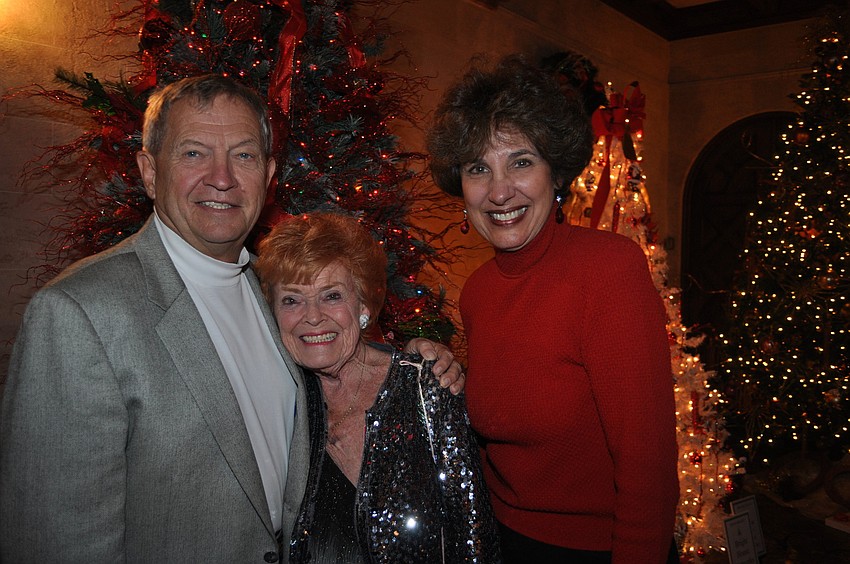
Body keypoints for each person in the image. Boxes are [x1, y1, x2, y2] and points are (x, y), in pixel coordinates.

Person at [0, 74, 462, 563]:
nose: (221, 178)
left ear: (267, 176)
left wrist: (411, 360)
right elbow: (52, 541)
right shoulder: (79, 314)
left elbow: (335, 361)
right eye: (193, 153)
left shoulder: (271, 293)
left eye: (242, 155)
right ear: (149, 171)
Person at [426, 55, 679, 564]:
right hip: (499, 540)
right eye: (479, 168)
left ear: (555, 170)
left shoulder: (608, 270)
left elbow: (646, 466)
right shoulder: (476, 290)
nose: (499, 191)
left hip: (599, 550)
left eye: (521, 161)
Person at [253, 212, 500, 563]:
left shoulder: (425, 387)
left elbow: (474, 534)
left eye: (332, 296)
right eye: (291, 300)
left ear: (364, 306)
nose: (312, 316)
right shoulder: (279, 402)